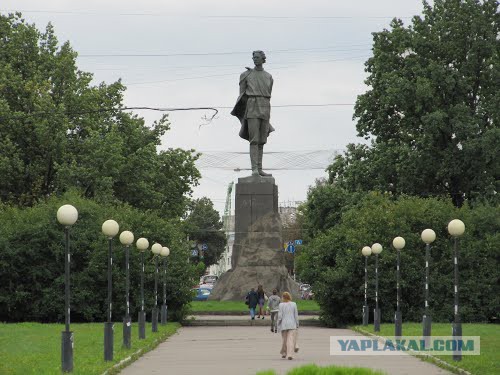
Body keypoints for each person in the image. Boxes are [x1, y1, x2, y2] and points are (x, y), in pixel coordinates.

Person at [231, 50, 275, 177]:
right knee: (254, 140)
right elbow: (241, 95)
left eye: (257, 57)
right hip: (252, 107)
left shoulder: (269, 76)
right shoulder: (246, 75)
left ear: (263, 59)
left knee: (262, 140)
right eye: (254, 57)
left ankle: (260, 169)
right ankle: (254, 169)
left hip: (265, 106)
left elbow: (269, 93)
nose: (255, 59)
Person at [277, 292, 299, 360]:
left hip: (284, 325)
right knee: (290, 340)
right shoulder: (294, 304)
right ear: (289, 297)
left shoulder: (281, 305)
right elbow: (296, 315)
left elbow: (280, 316)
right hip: (292, 324)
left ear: (283, 297)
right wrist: (297, 324)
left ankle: (284, 353)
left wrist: (278, 324)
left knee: (284, 340)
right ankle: (289, 354)